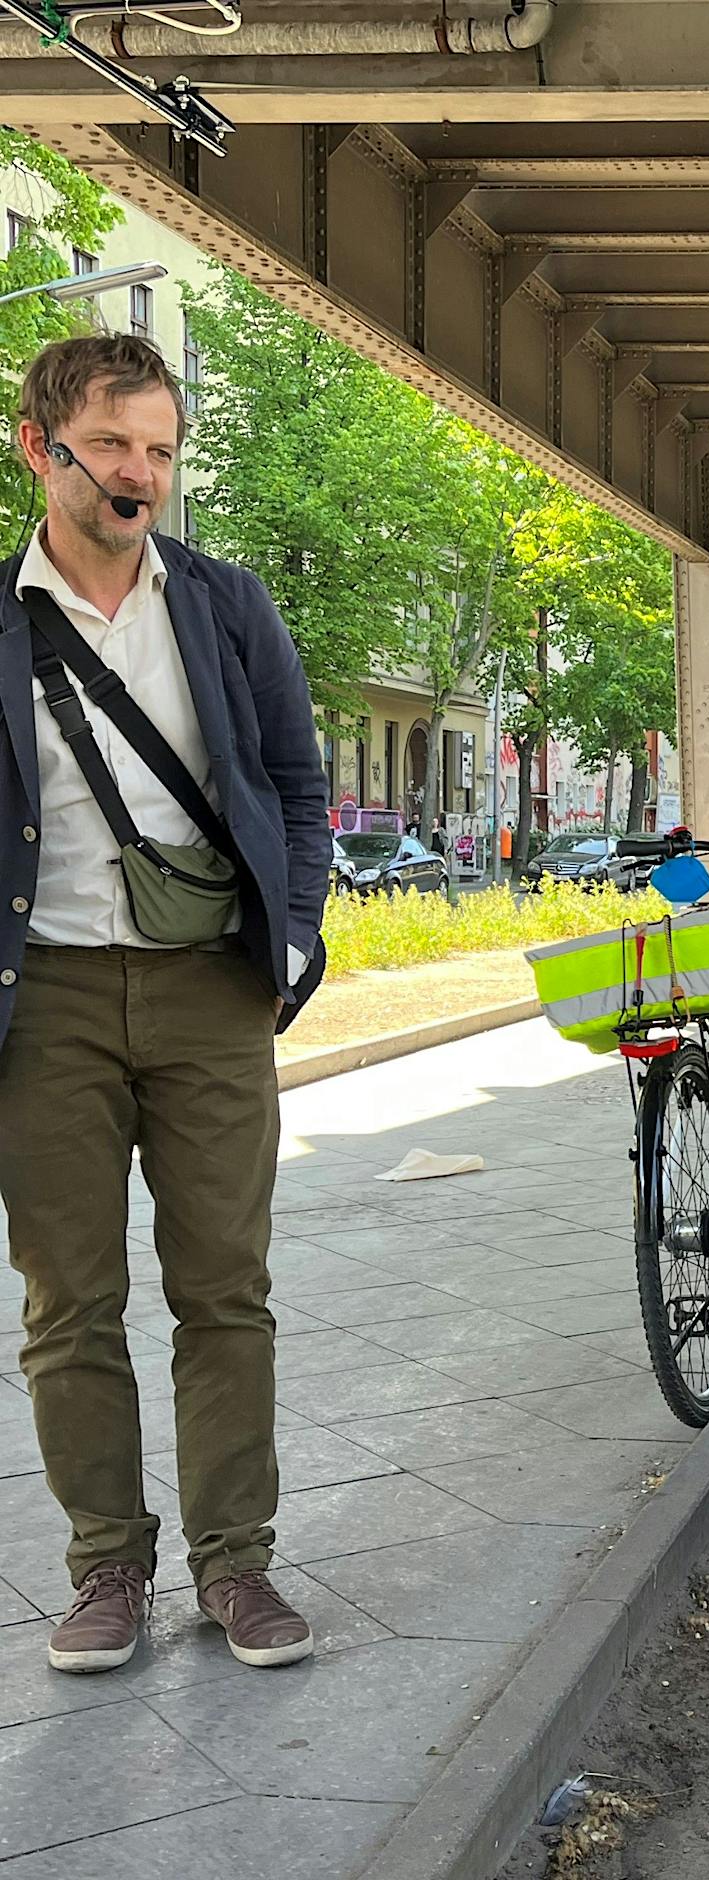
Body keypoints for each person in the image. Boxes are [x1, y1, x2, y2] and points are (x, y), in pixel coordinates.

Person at [0, 335, 330, 1673]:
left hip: (208, 990)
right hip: (47, 1001)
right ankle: (106, 1566)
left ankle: (235, 1564)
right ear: (41, 447)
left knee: (224, 1292)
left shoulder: (223, 603)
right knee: (68, 1306)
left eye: (160, 449)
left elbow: (296, 784)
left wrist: (292, 934)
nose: (140, 474)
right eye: (112, 445)